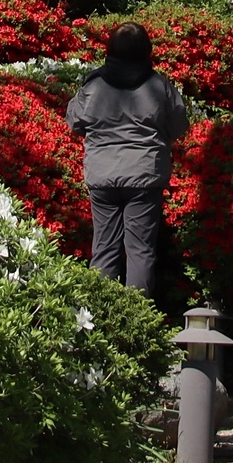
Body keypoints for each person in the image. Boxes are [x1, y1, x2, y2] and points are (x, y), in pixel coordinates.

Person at [67, 21, 190, 295]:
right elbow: (179, 125)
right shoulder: (159, 86)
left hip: (102, 175)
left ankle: (101, 314)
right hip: (144, 175)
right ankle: (138, 317)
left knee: (104, 249)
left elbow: (75, 122)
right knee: (140, 251)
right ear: (146, 49)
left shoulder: (94, 85)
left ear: (110, 49)